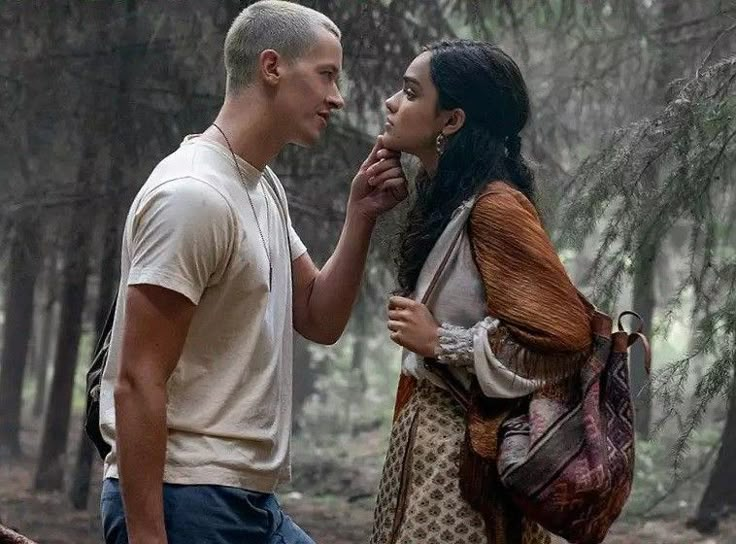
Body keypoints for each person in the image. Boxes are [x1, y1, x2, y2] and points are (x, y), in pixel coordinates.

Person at [98, 2, 407, 543]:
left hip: (247, 501)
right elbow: (135, 380)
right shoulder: (193, 195)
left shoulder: (260, 186)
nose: (338, 97)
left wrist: (360, 216)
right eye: (326, 75)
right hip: (184, 496)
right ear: (272, 68)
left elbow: (318, 316)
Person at [370, 40, 593, 544]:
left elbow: (565, 335)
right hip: (426, 444)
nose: (391, 102)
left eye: (409, 93)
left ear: (450, 122)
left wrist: (443, 341)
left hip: (465, 460)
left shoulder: (496, 208)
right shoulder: (448, 198)